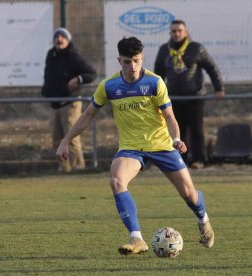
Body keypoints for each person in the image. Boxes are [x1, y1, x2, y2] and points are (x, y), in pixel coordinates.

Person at [56, 37, 214, 255]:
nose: (133, 66)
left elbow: (169, 116)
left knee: (189, 195)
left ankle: (203, 218)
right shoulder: (109, 86)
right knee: (116, 180)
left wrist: (176, 138)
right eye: (127, 61)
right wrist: (65, 141)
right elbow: (87, 116)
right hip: (131, 147)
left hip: (161, 144)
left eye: (137, 61)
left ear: (142, 58)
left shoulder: (155, 82)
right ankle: (136, 238)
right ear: (119, 60)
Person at [154, 20, 224, 169]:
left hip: (195, 97)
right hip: (174, 98)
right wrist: (154, 95)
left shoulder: (196, 48)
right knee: (178, 132)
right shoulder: (164, 50)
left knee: (197, 130)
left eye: (179, 30)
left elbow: (212, 68)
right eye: (173, 31)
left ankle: (199, 160)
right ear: (170, 33)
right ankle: (180, 161)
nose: (177, 33)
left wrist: (219, 88)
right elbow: (158, 75)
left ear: (186, 32)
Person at [42, 27, 96, 172]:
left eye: (62, 37)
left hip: (70, 103)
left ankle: (78, 167)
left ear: (68, 40)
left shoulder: (73, 55)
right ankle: (64, 168)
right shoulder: (51, 54)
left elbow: (91, 73)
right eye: (56, 37)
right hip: (55, 103)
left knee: (71, 137)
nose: (59, 40)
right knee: (56, 139)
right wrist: (46, 91)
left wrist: (78, 79)